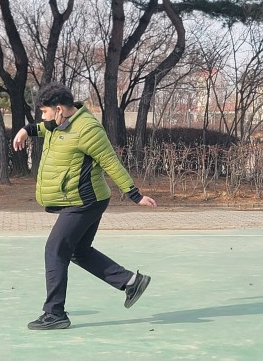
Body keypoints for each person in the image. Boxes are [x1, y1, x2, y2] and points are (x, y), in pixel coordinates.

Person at [13, 82, 157, 330]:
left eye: (45, 111)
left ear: (59, 109)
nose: (43, 117)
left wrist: (135, 196)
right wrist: (26, 130)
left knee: (55, 251)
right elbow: (42, 128)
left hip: (84, 202)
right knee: (79, 251)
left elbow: (111, 163)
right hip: (80, 201)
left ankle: (55, 313)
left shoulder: (88, 129)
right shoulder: (57, 124)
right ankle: (131, 282)